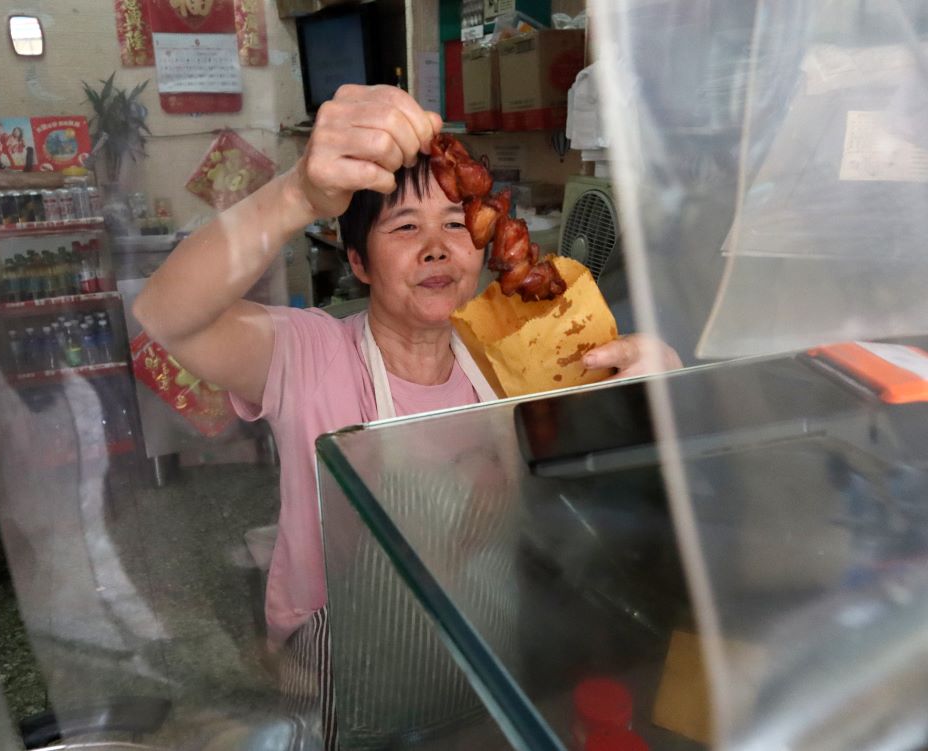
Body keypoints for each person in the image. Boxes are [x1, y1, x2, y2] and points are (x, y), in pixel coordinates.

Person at [133, 84, 679, 747]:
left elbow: (586, 496)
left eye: (456, 223)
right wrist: (297, 195)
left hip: (488, 662)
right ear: (357, 260)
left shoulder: (512, 359)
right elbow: (164, 316)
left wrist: (655, 393)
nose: (436, 246)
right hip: (346, 674)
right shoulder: (310, 355)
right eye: (404, 226)